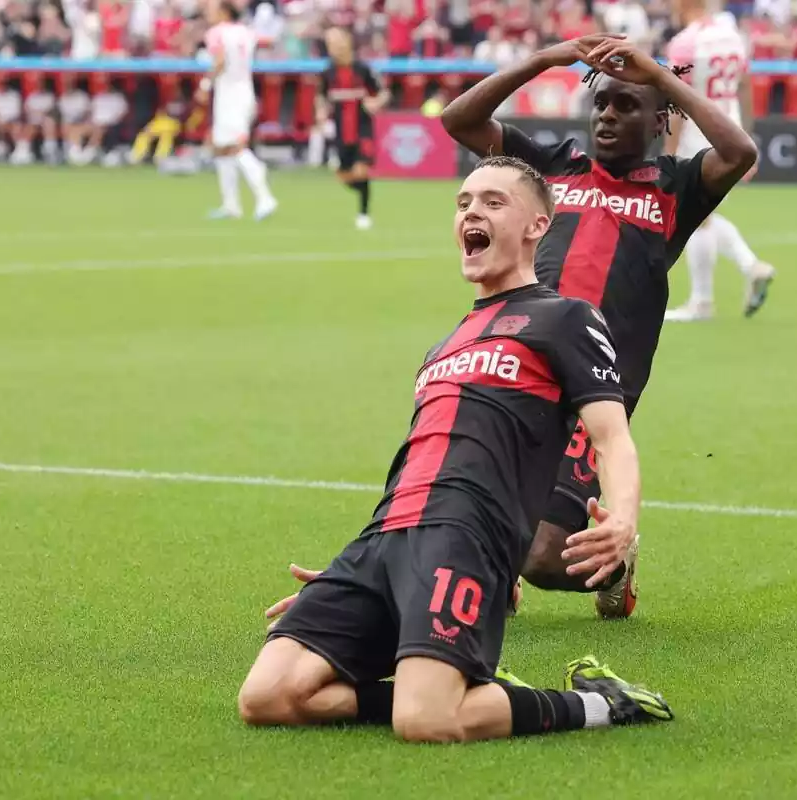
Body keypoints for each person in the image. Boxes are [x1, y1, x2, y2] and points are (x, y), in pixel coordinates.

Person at [265, 33, 758, 623]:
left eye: (627, 106)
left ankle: (617, 566)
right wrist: (546, 59)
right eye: (601, 103)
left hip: (593, 386)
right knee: (470, 487)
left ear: (659, 122)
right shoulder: (552, 168)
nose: (607, 114)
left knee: (546, 558)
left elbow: (739, 151)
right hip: (518, 365)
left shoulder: (675, 188)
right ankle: (472, 570)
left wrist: (660, 77)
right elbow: (460, 119)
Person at [238, 156, 673, 743]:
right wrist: (367, 576)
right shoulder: (444, 344)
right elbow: (422, 458)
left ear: (537, 227)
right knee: (267, 698)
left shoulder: (565, 319)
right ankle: (455, 679)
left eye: (494, 202)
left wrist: (621, 517)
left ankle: (598, 704)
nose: (472, 211)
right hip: (386, 539)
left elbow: (611, 438)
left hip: (465, 537)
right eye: (464, 202)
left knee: (426, 723)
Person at [663, 0, 776, 322]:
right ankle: (751, 266)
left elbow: (678, 102)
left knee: (694, 216)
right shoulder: (731, 35)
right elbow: (744, 86)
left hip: (697, 136)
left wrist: (668, 155)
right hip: (730, 128)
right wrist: (748, 137)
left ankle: (702, 301)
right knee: (704, 216)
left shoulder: (685, 43)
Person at [197, 0, 277, 221]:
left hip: (229, 93)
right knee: (221, 148)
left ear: (223, 12)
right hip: (245, 90)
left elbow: (220, 60)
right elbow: (268, 41)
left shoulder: (216, 33)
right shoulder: (247, 32)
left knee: (235, 147)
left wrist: (205, 85)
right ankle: (231, 204)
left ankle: (264, 195)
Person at [319, 27, 389, 230]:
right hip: (341, 131)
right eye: (329, 43)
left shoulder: (363, 69)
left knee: (361, 170)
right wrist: (321, 111)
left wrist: (375, 103)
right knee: (343, 175)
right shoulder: (327, 73)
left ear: (347, 42)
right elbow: (321, 97)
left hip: (362, 128)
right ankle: (363, 193)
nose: (333, 47)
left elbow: (383, 92)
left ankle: (363, 213)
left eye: (336, 41)